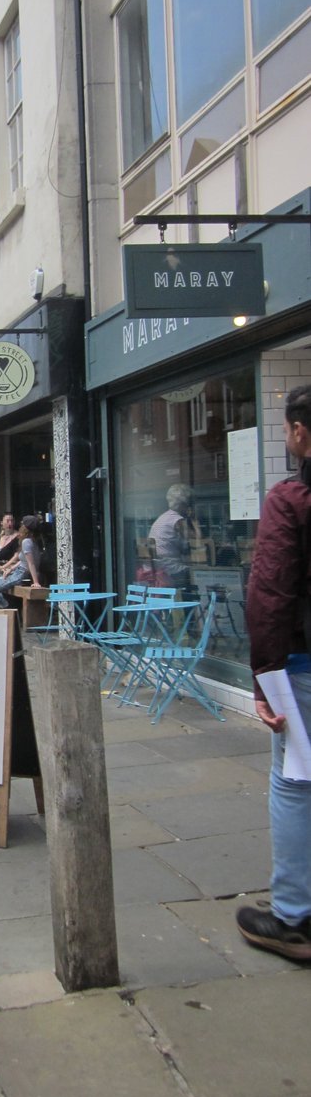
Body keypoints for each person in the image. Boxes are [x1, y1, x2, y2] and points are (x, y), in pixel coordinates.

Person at [236, 384, 311, 961]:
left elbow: (271, 592)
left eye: (287, 430)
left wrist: (264, 676)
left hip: (305, 665)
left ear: (301, 433)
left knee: (295, 781)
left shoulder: (291, 499)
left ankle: (294, 918)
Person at [0, 516, 43, 609]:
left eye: (22, 524)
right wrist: (10, 569)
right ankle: (7, 606)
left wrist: (36, 582)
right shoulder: (31, 541)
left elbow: (31, 563)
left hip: (21, 574)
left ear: (25, 527)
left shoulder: (26, 542)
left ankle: (7, 607)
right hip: (18, 571)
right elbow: (23, 561)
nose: (20, 525)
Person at [147, 484, 200, 591]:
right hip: (172, 570)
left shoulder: (163, 518)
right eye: (189, 504)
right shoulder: (177, 520)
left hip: (159, 569)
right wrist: (194, 519)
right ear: (184, 504)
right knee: (201, 575)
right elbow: (198, 539)